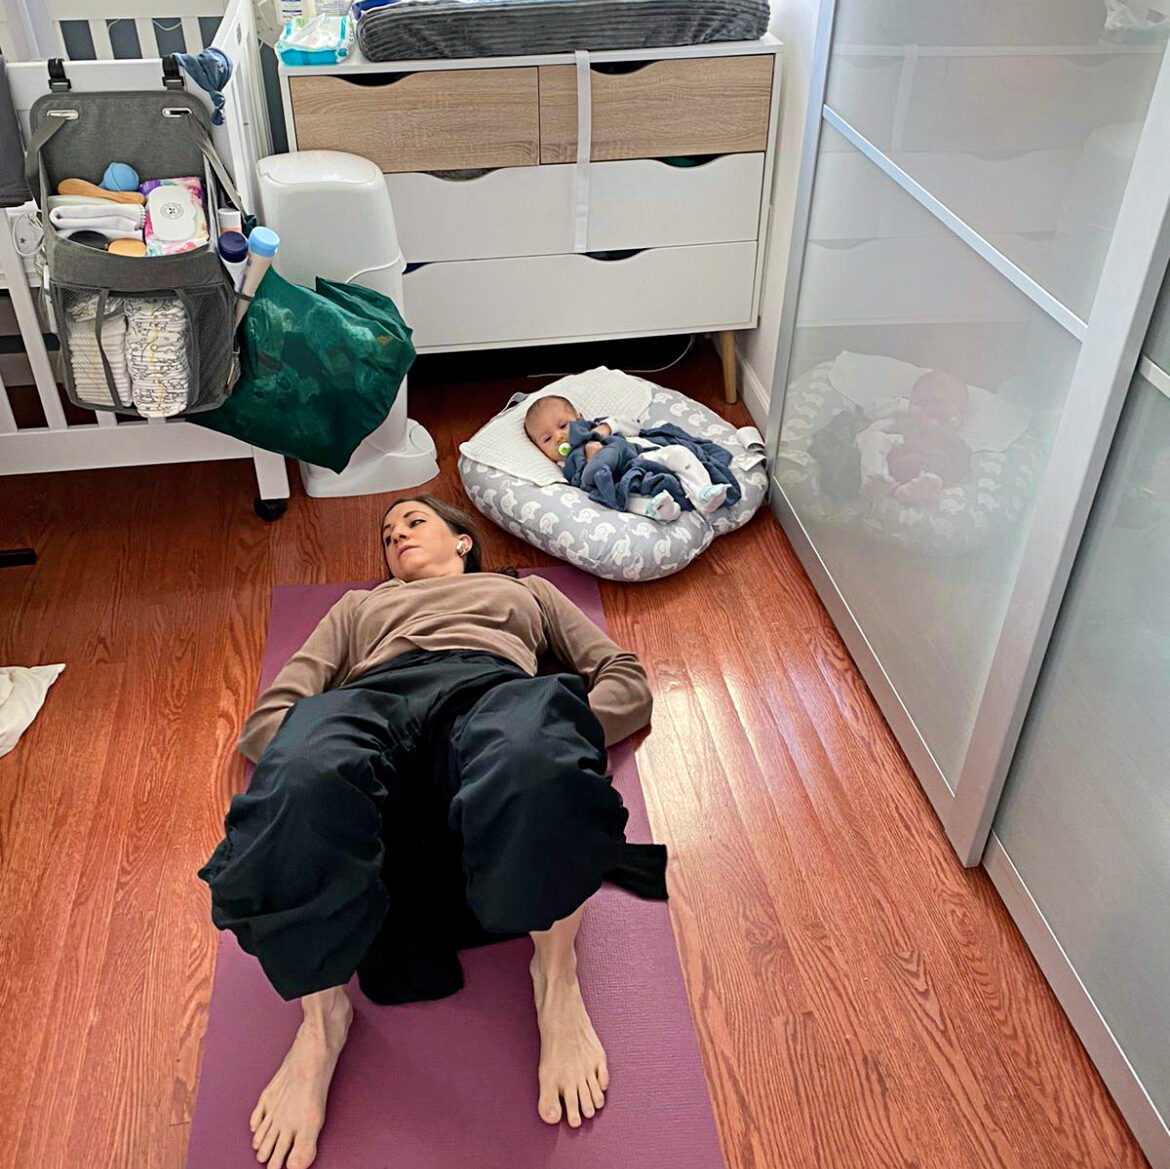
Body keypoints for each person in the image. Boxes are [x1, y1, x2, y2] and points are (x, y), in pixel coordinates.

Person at [197, 495, 667, 1169]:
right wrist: (327, 768)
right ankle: (322, 1021)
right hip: (372, 704)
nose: (397, 536)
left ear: (464, 541)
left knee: (535, 762)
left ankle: (555, 977)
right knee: (298, 779)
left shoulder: (523, 592)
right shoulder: (358, 609)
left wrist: (570, 731)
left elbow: (623, 676)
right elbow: (272, 716)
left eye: (414, 521)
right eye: (388, 535)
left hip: (490, 691)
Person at [523, 395, 737, 520]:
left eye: (562, 425)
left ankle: (702, 493)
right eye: (547, 439)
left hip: (646, 457)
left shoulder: (600, 427)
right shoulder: (565, 466)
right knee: (622, 498)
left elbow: (634, 426)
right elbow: (585, 485)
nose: (559, 436)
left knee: (678, 453)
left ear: (579, 418)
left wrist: (606, 428)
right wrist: (591, 461)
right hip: (624, 479)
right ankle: (661, 511)